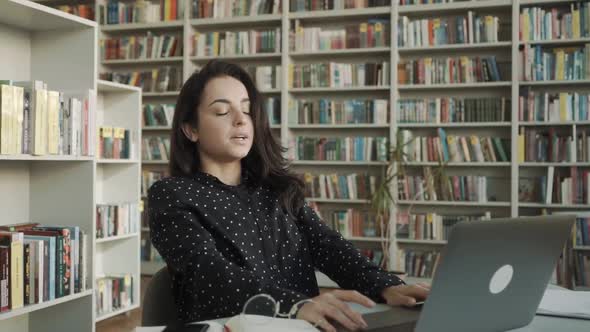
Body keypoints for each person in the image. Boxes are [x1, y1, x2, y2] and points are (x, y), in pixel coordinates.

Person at [148, 60, 429, 332]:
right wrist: (293, 305)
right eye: (222, 111)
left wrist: (384, 285)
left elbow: (328, 246)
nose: (240, 120)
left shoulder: (277, 190)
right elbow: (206, 274)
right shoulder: (172, 195)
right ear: (191, 129)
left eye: (247, 111)